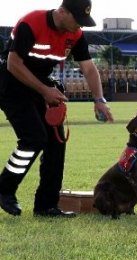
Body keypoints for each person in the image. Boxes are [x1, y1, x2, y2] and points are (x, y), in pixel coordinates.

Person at [0, 0, 114, 217]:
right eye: (77, 20)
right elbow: (13, 64)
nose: (79, 26)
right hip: (11, 83)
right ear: (62, 12)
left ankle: (46, 205)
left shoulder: (76, 34)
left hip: (41, 85)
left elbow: (89, 68)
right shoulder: (31, 22)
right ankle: (4, 189)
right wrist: (45, 91)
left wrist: (99, 99)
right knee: (34, 138)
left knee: (56, 143)